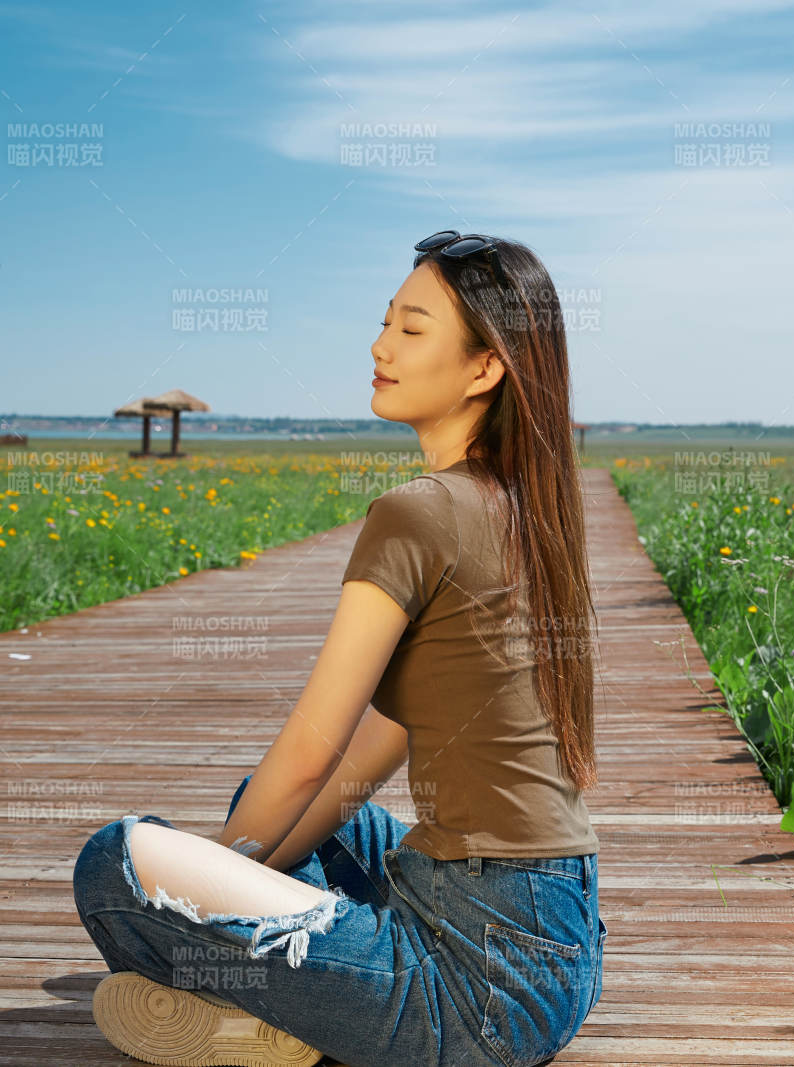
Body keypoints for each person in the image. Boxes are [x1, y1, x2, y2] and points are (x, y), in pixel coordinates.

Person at [72, 230, 608, 1067]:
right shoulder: (524, 510)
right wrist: (237, 888)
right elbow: (366, 759)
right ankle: (288, 998)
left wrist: (198, 902)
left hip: (473, 989)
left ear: (484, 368)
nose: (379, 344)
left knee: (116, 864)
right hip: (557, 958)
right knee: (286, 819)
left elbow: (307, 756)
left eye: (412, 328)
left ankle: (266, 1009)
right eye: (385, 321)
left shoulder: (417, 513)